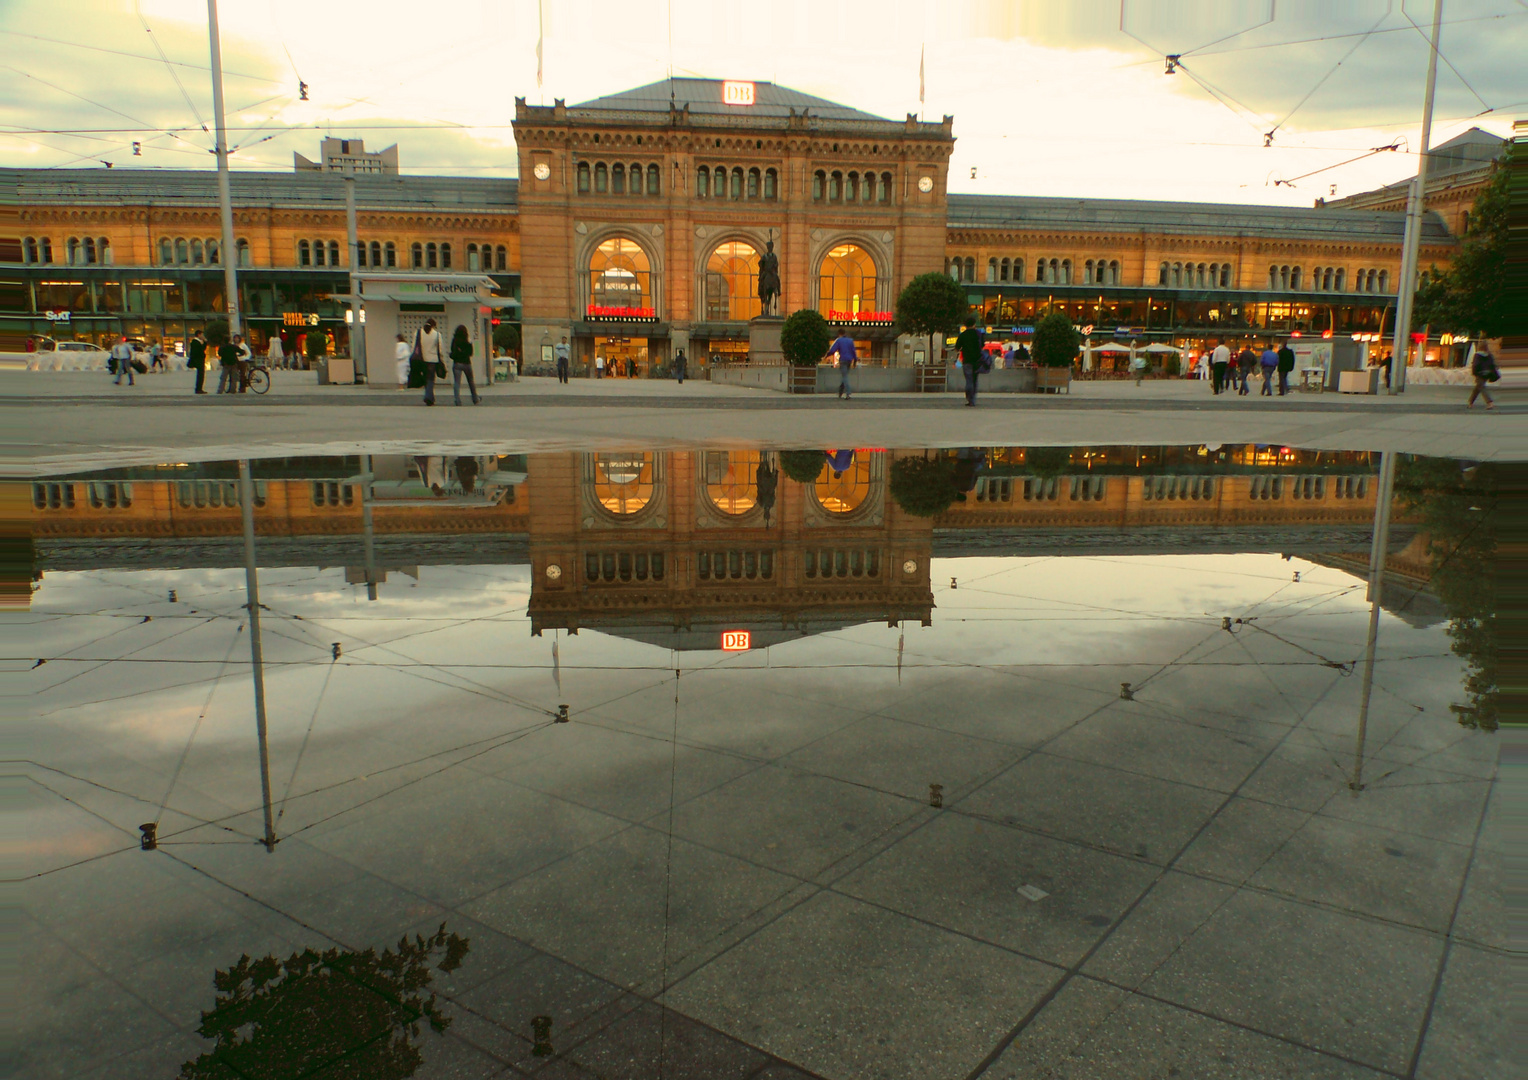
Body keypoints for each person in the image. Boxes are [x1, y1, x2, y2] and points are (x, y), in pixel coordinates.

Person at [448, 323, 480, 405]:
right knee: (471, 382)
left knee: (457, 383)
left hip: (457, 364)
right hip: (467, 363)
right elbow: (471, 353)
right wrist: (464, 353)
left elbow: (453, 352)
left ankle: (457, 400)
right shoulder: (468, 340)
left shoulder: (455, 340)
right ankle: (475, 398)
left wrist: (457, 353)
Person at [419, 318, 447, 405]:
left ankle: (430, 397)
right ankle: (428, 397)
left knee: (425, 378)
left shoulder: (419, 333)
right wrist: (441, 359)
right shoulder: (437, 334)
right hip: (433, 360)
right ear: (434, 325)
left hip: (422, 359)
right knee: (431, 379)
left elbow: (415, 346)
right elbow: (440, 349)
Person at [955, 322, 984, 406]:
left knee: (969, 380)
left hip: (967, 360)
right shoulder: (978, 334)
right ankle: (973, 399)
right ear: (974, 324)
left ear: (965, 325)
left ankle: (969, 398)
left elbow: (957, 347)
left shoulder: (963, 335)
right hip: (977, 360)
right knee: (975, 380)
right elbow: (982, 345)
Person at [825, 330, 857, 400]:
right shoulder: (850, 341)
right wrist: (855, 360)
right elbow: (853, 351)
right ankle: (840, 392)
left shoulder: (839, 340)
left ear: (839, 334)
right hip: (849, 360)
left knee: (844, 376)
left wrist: (827, 355)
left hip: (843, 360)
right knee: (844, 376)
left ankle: (848, 393)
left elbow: (833, 350)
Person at [1467, 342, 1498, 410]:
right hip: (1487, 373)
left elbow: (1475, 365)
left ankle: (1489, 402)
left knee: (1482, 387)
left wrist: (1474, 372)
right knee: (1478, 387)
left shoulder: (1477, 355)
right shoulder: (1489, 355)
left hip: (1480, 373)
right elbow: (1492, 365)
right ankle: (1470, 402)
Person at [187, 330, 208, 394]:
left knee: (201, 375)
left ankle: (199, 388)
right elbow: (199, 351)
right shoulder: (195, 342)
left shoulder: (199, 342)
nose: (203, 336)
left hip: (200, 360)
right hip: (198, 360)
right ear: (198, 335)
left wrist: (205, 342)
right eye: (202, 335)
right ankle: (198, 389)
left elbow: (203, 349)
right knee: (200, 375)